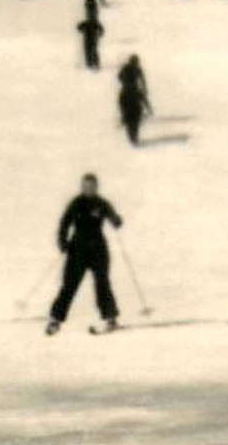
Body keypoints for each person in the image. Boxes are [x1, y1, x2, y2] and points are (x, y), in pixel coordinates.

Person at [46, 173, 123, 335]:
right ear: (82, 187)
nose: (89, 189)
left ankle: (110, 317)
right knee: (69, 285)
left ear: (96, 187)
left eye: (92, 186)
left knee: (102, 283)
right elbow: (64, 223)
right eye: (86, 186)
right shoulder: (76, 203)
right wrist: (62, 241)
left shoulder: (101, 203)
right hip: (78, 250)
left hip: (98, 249)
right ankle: (55, 319)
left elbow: (112, 216)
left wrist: (116, 220)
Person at [117, 55, 150, 146]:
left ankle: (133, 137)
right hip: (131, 95)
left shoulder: (134, 70)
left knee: (132, 119)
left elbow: (119, 77)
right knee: (133, 119)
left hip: (129, 95)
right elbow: (142, 84)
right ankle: (133, 137)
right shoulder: (131, 70)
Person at [78, 3, 105, 70]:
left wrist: (100, 33)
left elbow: (79, 27)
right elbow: (79, 27)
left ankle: (92, 64)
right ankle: (92, 63)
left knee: (90, 51)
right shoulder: (92, 22)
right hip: (91, 39)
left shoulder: (90, 22)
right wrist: (100, 34)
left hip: (90, 39)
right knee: (91, 51)